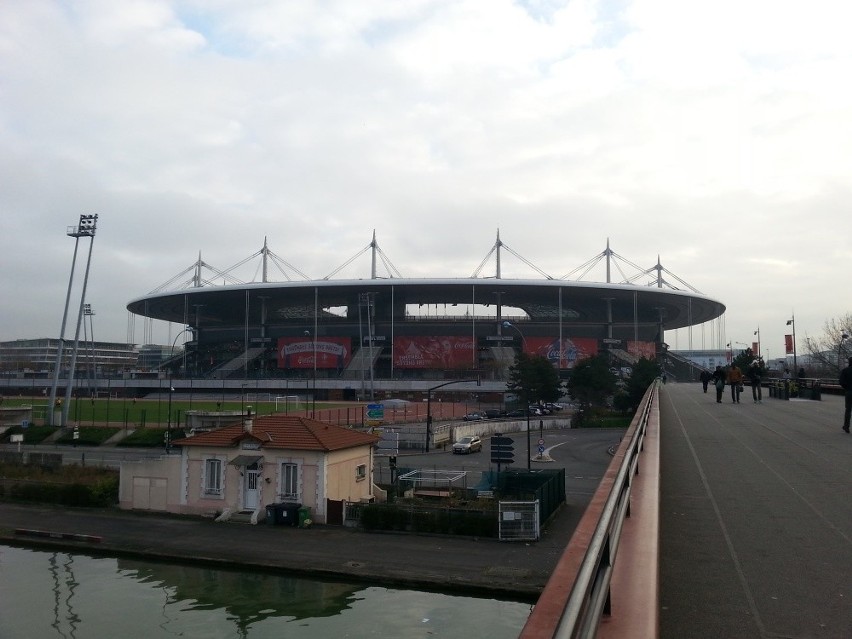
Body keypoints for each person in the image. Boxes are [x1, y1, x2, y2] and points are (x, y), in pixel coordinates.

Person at [840, 356, 852, 433]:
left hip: (849, 392)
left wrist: (846, 387)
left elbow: (841, 382)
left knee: (848, 410)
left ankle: (846, 426)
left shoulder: (845, 370)